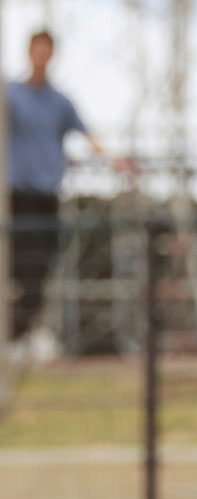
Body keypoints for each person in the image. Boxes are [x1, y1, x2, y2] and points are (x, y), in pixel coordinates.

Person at [5, 29, 131, 342]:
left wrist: (115, 160)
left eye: (47, 51)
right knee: (15, 264)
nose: (41, 56)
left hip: (47, 196)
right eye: (37, 50)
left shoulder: (60, 102)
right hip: (14, 196)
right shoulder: (10, 95)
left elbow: (88, 135)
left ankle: (14, 334)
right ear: (29, 52)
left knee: (41, 270)